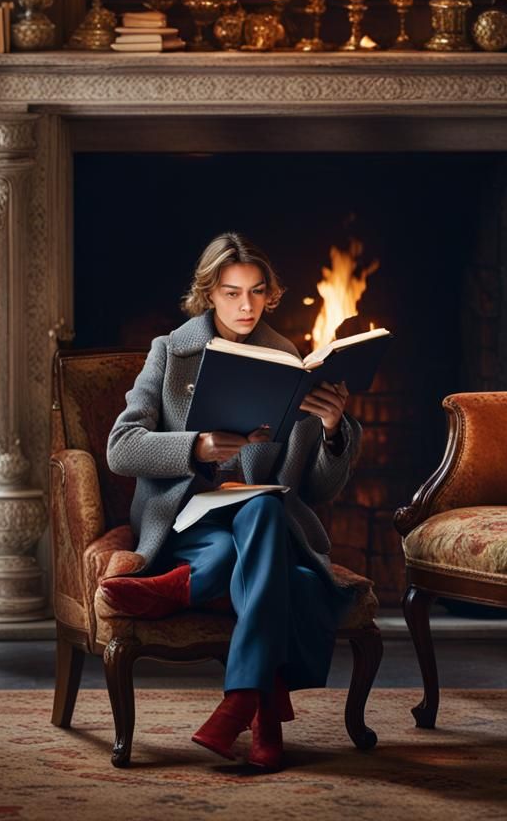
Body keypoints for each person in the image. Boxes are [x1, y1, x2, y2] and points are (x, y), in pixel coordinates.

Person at [103, 233, 362, 771]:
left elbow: (314, 490)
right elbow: (120, 449)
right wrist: (195, 446)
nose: (246, 306)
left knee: (263, 511)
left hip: (255, 521)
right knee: (292, 575)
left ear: (271, 295)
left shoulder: (287, 360)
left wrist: (334, 430)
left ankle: (236, 682)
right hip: (187, 517)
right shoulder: (169, 353)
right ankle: (261, 708)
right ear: (208, 294)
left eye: (257, 292)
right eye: (230, 293)